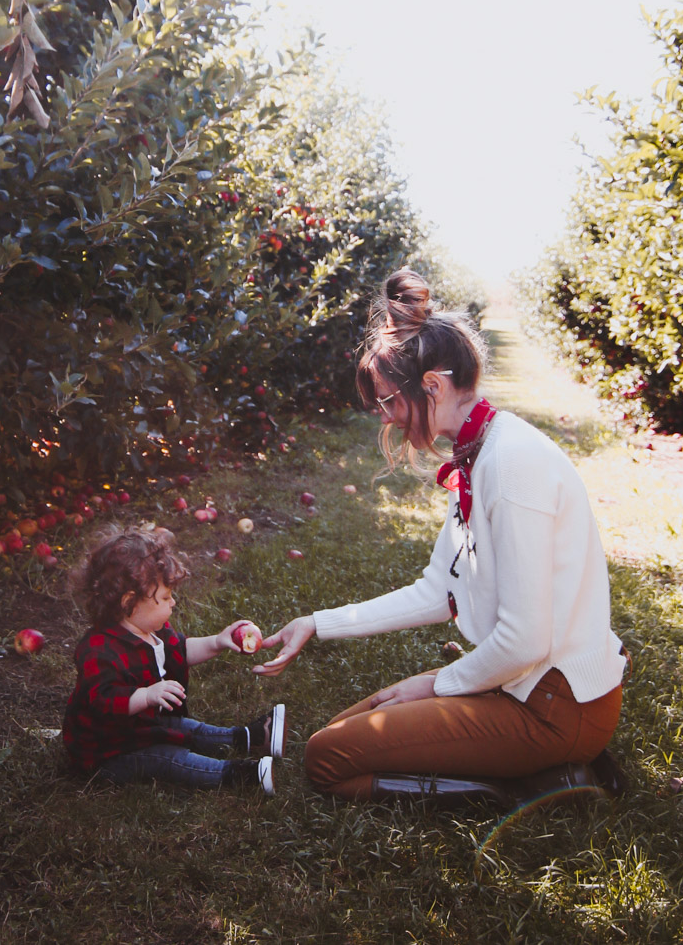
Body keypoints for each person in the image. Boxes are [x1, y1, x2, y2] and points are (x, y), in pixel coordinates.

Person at [256, 269, 628, 802]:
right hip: (519, 684)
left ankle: (527, 784)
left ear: (432, 385)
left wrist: (433, 683)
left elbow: (526, 638)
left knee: (326, 759)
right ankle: (521, 767)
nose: (387, 420)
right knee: (343, 730)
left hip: (553, 705)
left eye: (389, 402)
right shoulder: (480, 452)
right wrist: (317, 624)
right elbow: (439, 591)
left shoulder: (512, 463)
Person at [63, 526, 285, 793]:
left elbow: (181, 651)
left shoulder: (151, 630)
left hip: (140, 727)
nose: (173, 603)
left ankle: (253, 736)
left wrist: (217, 641)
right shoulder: (98, 651)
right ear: (129, 602)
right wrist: (146, 696)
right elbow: (104, 701)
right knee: (167, 758)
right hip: (107, 751)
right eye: (165, 597)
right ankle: (241, 776)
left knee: (186, 727)